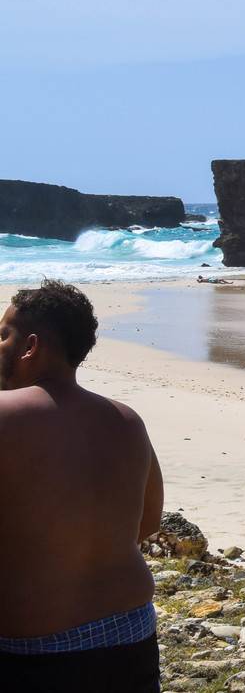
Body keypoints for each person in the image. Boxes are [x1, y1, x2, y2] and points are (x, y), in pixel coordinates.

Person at [0, 280, 163, 692]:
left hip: (37, 653)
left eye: (2, 334)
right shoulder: (127, 419)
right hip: (131, 636)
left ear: (30, 346)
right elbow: (147, 523)